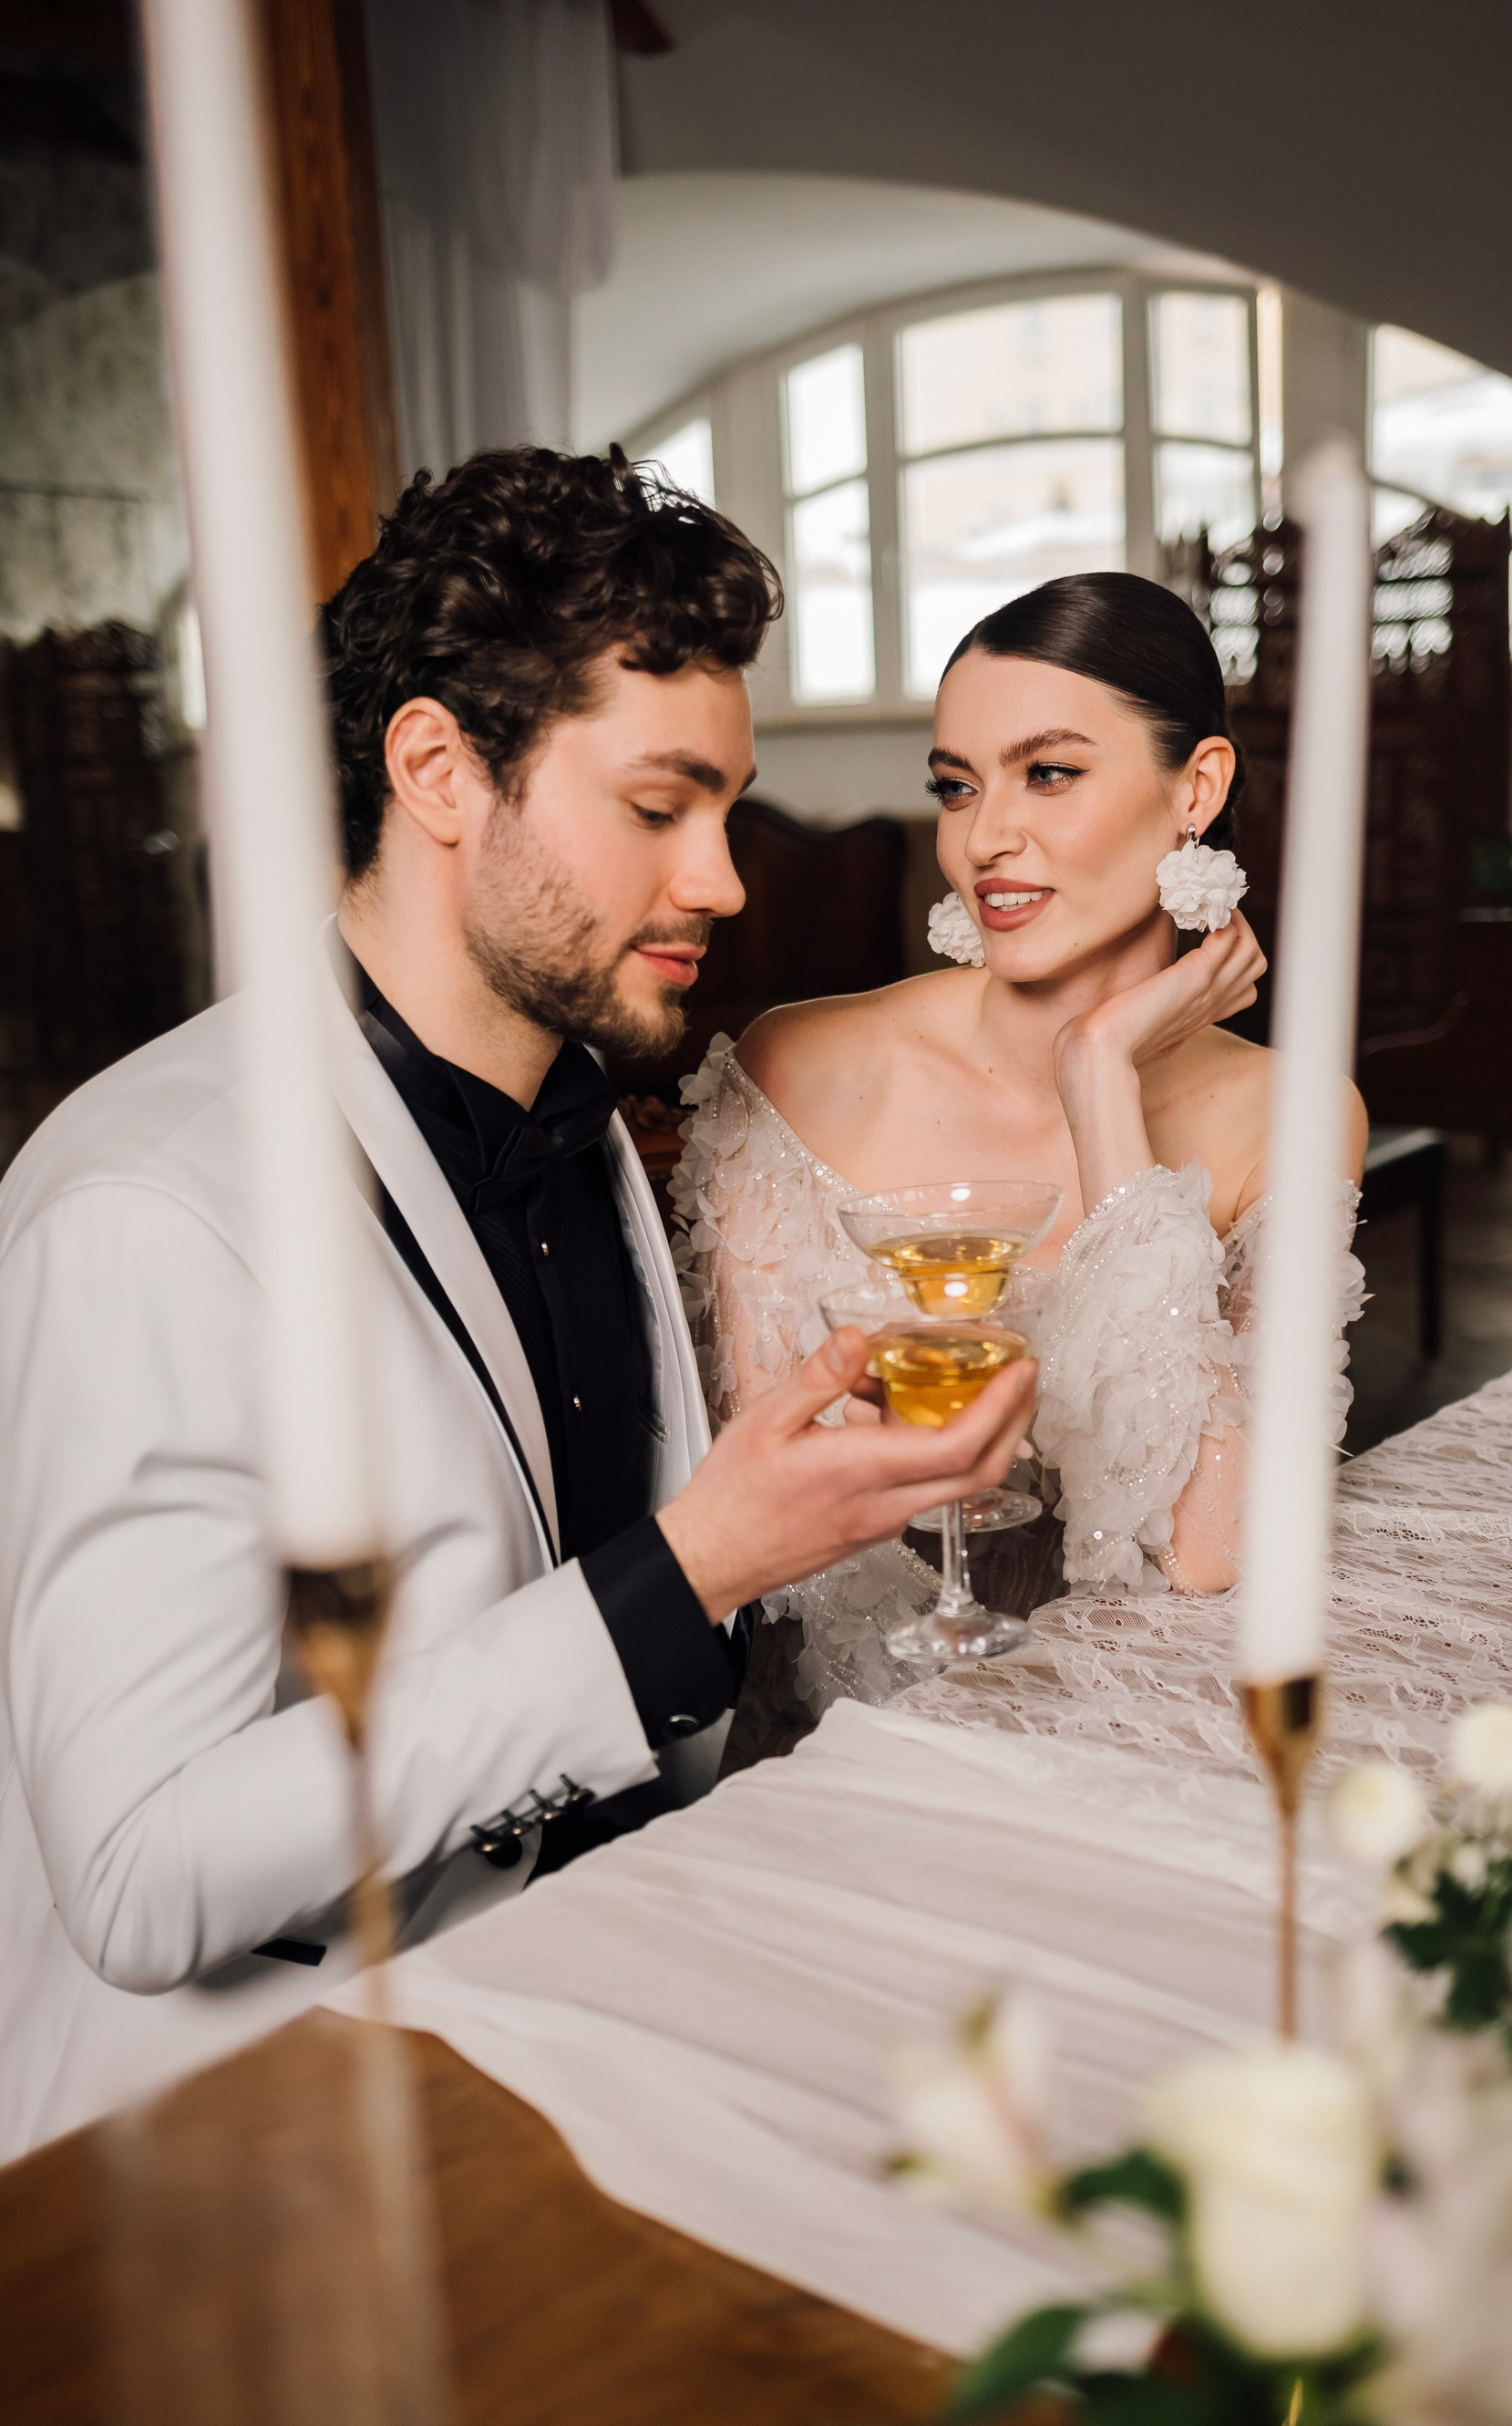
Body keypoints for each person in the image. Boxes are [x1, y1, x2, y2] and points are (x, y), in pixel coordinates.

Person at [0, 448, 1034, 2157]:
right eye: (659, 807)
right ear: (437, 770)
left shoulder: (586, 1115)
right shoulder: (147, 1208)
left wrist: (793, 1511)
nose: (724, 878)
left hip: (596, 2022)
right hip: (249, 2141)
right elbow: (138, 1875)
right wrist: (690, 1571)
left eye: (726, 808)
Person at [673, 571, 1366, 1719]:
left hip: (1140, 1730)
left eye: (1050, 772)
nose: (986, 838)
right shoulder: (799, 1069)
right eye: (957, 787)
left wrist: (1102, 1078)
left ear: (1197, 788)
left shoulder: (1289, 1114)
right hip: (848, 1738)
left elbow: (1209, 1550)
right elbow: (782, 1551)